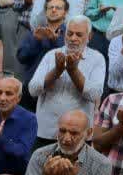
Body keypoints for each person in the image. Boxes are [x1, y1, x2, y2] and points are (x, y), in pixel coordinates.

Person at [28, 15, 106, 143]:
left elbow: (94, 94)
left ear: (89, 37)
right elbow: (33, 90)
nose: (73, 38)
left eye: (79, 35)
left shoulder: (97, 59)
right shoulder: (51, 55)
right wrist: (56, 71)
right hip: (46, 132)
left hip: (77, 135)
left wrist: (73, 71)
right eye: (70, 34)